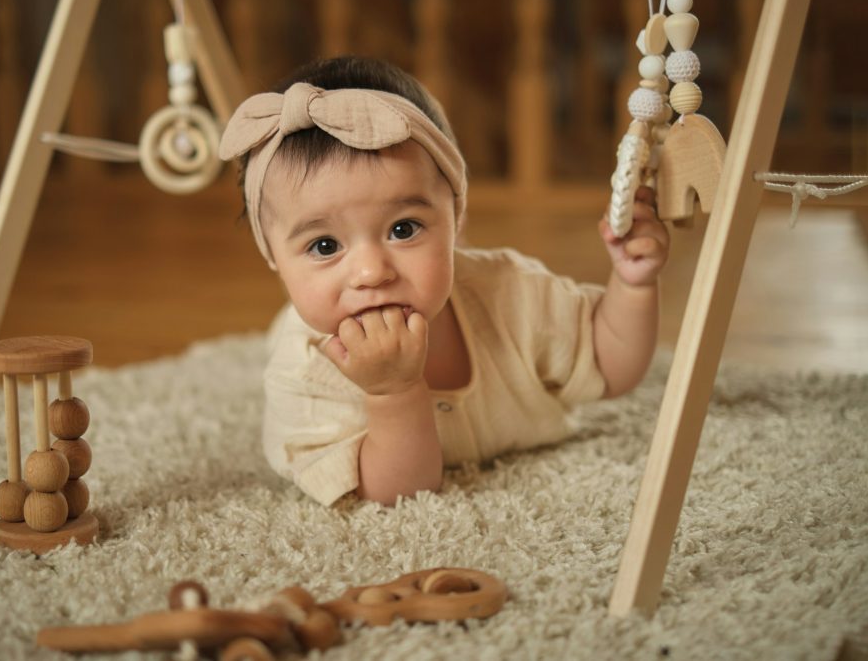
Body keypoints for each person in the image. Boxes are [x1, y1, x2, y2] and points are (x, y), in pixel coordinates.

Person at [218, 56, 669, 507]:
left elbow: (610, 371)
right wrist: (393, 392)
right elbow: (396, 495)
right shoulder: (305, 375)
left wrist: (633, 285)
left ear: (455, 217)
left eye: (403, 229)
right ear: (272, 257)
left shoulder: (513, 292)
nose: (372, 272)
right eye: (324, 246)